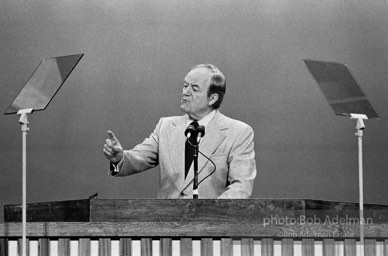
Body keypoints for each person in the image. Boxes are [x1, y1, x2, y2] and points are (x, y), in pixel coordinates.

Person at [103, 64, 256, 199]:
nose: (185, 92)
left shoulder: (238, 133)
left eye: (194, 88)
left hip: (210, 226)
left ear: (213, 98)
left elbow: (241, 188)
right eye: (185, 85)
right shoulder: (166, 126)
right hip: (166, 226)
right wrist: (118, 159)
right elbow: (139, 158)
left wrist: (211, 214)